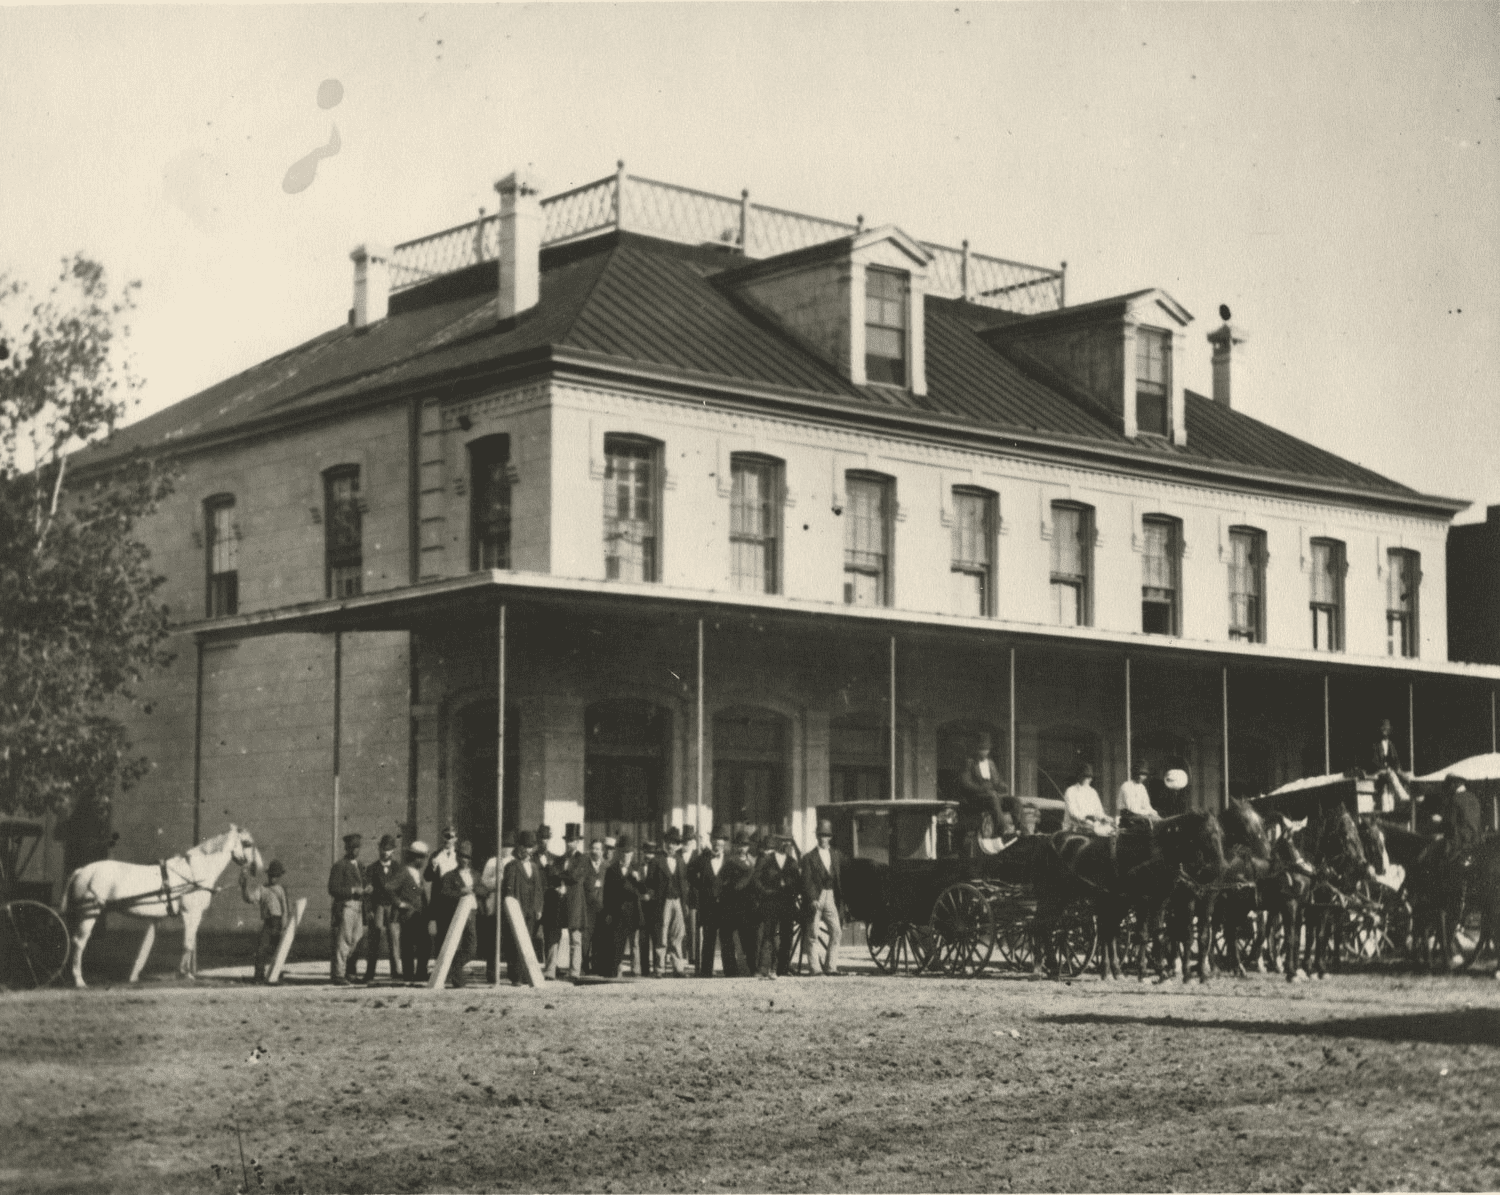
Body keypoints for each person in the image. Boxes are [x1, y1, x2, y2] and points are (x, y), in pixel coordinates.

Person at [752, 833, 800, 978]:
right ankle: (764, 969)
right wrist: (766, 892)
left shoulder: (792, 862)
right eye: (783, 842)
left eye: (788, 843)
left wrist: (791, 890)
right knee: (769, 935)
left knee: (786, 936)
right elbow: (756, 880)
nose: (786, 845)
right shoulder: (766, 861)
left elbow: (798, 882)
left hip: (787, 903)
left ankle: (783, 968)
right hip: (770, 903)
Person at [801, 819, 844, 976]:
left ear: (830, 837)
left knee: (836, 931)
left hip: (830, 894)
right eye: (820, 835)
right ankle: (815, 968)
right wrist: (812, 898)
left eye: (825, 835)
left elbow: (839, 875)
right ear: (817, 837)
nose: (822, 838)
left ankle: (831, 966)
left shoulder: (835, 855)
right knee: (813, 933)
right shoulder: (808, 858)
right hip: (816, 897)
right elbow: (806, 880)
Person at [501, 830, 544, 984]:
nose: (528, 850)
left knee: (529, 941)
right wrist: (511, 910)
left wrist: (538, 908)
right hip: (517, 910)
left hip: (531, 911)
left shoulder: (534, 866)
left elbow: (539, 889)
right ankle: (515, 976)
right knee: (515, 942)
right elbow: (509, 890)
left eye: (531, 847)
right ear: (519, 848)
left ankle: (527, 974)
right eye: (525, 847)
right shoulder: (512, 866)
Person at [691, 827, 735, 976]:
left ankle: (730, 972)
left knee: (726, 939)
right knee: (708, 940)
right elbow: (689, 872)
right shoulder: (703, 858)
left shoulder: (730, 859)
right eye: (715, 840)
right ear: (711, 842)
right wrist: (701, 887)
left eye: (720, 841)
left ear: (724, 843)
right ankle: (706, 972)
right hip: (708, 906)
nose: (717, 843)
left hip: (726, 906)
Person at [647, 827, 690, 976]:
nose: (671, 846)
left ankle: (678, 968)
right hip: (662, 901)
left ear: (678, 845)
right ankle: (659, 968)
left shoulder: (680, 861)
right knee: (662, 933)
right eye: (669, 842)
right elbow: (650, 883)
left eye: (674, 843)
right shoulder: (656, 861)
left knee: (678, 934)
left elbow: (684, 883)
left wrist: (684, 903)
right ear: (665, 843)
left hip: (677, 900)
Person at [328, 833, 369, 985]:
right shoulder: (340, 866)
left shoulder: (360, 866)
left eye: (357, 847)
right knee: (343, 940)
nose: (355, 851)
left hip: (358, 906)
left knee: (356, 940)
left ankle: (350, 972)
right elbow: (333, 889)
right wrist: (353, 890)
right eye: (352, 848)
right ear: (346, 848)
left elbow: (363, 884)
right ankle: (338, 974)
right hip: (346, 905)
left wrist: (367, 889)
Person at [439, 841, 481, 987]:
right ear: (457, 857)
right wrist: (461, 892)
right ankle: (457, 980)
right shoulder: (449, 876)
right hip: (456, 914)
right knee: (454, 946)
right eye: (462, 856)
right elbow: (444, 893)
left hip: (472, 914)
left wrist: (475, 889)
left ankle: (454, 968)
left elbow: (484, 890)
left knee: (471, 948)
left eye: (468, 857)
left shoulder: (475, 874)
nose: (465, 860)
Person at [959, 733, 1009, 854]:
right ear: (977, 750)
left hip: (992, 794)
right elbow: (966, 783)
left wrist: (1003, 786)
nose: (984, 752)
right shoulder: (970, 762)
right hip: (976, 797)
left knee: (1014, 801)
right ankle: (1000, 830)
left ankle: (1022, 831)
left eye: (986, 750)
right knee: (992, 797)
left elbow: (996, 781)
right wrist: (982, 789)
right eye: (981, 749)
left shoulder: (991, 764)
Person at [240, 859, 289, 983]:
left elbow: (285, 908)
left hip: (278, 922)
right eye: (271, 875)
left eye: (276, 876)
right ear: (268, 875)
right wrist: (244, 887)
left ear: (279, 877)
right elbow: (250, 899)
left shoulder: (280, 889)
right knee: (261, 949)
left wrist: (284, 924)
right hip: (268, 922)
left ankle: (276, 974)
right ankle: (259, 975)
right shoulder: (262, 889)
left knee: (277, 951)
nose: (273, 878)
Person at [364, 834, 403, 983]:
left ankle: (396, 972)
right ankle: (369, 973)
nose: (385, 852)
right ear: (379, 848)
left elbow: (401, 890)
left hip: (393, 908)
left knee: (394, 940)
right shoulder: (372, 868)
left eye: (389, 849)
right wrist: (369, 910)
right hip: (378, 907)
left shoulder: (398, 868)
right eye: (383, 849)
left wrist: (398, 908)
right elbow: (367, 893)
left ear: (393, 851)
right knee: (374, 939)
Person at [601, 835, 642, 977]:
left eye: (629, 853)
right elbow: (607, 893)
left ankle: (636, 970)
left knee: (634, 942)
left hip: (633, 911)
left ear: (633, 854)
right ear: (619, 853)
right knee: (617, 942)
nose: (626, 856)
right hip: (617, 911)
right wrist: (608, 912)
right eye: (624, 853)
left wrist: (637, 880)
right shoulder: (611, 870)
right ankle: (616, 968)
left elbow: (643, 891)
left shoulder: (637, 869)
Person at [424, 826, 461, 966]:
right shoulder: (436, 855)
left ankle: (454, 967)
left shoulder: (459, 855)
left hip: (455, 899)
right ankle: (440, 966)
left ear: (455, 839)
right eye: (446, 836)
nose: (448, 840)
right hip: (440, 901)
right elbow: (427, 877)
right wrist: (432, 867)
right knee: (441, 934)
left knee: (456, 932)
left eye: (451, 837)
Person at [724, 831, 759, 975]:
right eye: (740, 845)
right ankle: (734, 969)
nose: (742, 848)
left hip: (750, 905)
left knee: (750, 938)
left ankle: (752, 968)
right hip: (735, 903)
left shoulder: (753, 861)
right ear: (735, 846)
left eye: (745, 845)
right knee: (734, 939)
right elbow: (727, 883)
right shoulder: (730, 862)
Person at [558, 824, 589, 980]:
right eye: (568, 840)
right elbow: (556, 873)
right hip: (562, 901)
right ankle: (560, 968)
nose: (570, 844)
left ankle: (575, 971)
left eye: (573, 841)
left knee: (575, 938)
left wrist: (561, 876)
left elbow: (575, 876)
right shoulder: (563, 858)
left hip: (575, 902)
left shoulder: (582, 858)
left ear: (578, 842)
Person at [397, 841, 430, 982]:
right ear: (415, 857)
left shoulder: (417, 873)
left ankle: (421, 973)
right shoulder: (404, 872)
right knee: (408, 945)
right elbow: (389, 888)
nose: (423, 861)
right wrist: (399, 903)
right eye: (421, 858)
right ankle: (408, 975)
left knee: (425, 944)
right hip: (408, 916)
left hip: (420, 916)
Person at [1062, 763, 1114, 836]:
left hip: (1091, 827)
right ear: (1080, 776)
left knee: (1111, 832)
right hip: (1074, 829)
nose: (1090, 779)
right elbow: (1073, 813)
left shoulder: (1092, 792)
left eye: (1091, 777)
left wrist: (1103, 818)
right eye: (1087, 777)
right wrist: (1086, 817)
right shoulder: (1071, 791)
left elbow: (1098, 811)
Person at [582, 837, 608, 975]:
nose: (595, 851)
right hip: (587, 908)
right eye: (593, 848)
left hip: (602, 909)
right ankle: (584, 967)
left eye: (598, 849)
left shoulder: (607, 866)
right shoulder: (584, 865)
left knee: (599, 939)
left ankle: (597, 967)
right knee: (586, 939)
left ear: (602, 851)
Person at [1371, 719, 1405, 813]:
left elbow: (1396, 759)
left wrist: (1397, 767)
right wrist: (1386, 768)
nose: (1385, 731)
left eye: (1386, 729)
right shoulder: (1376, 745)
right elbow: (1374, 762)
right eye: (1383, 729)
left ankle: (1390, 811)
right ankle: (1402, 795)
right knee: (1390, 775)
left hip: (1388, 772)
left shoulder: (1391, 744)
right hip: (1378, 771)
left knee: (1389, 786)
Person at [636, 839, 659, 977]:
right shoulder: (639, 866)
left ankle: (657, 968)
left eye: (651, 852)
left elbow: (659, 884)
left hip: (654, 905)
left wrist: (650, 895)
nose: (648, 855)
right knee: (643, 939)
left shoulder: (658, 866)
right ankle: (644, 969)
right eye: (646, 852)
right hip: (642, 907)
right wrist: (640, 894)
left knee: (656, 938)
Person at [679, 824, 700, 968]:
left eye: (689, 841)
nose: (686, 844)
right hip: (679, 895)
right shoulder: (677, 855)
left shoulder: (697, 856)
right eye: (684, 841)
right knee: (679, 927)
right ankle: (680, 955)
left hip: (693, 897)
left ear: (693, 842)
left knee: (692, 927)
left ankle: (692, 956)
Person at [1116, 760, 1159, 829]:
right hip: (1128, 818)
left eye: (1145, 775)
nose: (1143, 777)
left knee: (1159, 820)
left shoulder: (1142, 787)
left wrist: (1153, 812)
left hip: (1139, 816)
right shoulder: (1127, 786)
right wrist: (1149, 813)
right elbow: (1132, 808)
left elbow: (1146, 805)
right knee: (1153, 821)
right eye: (1142, 774)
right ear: (1136, 774)